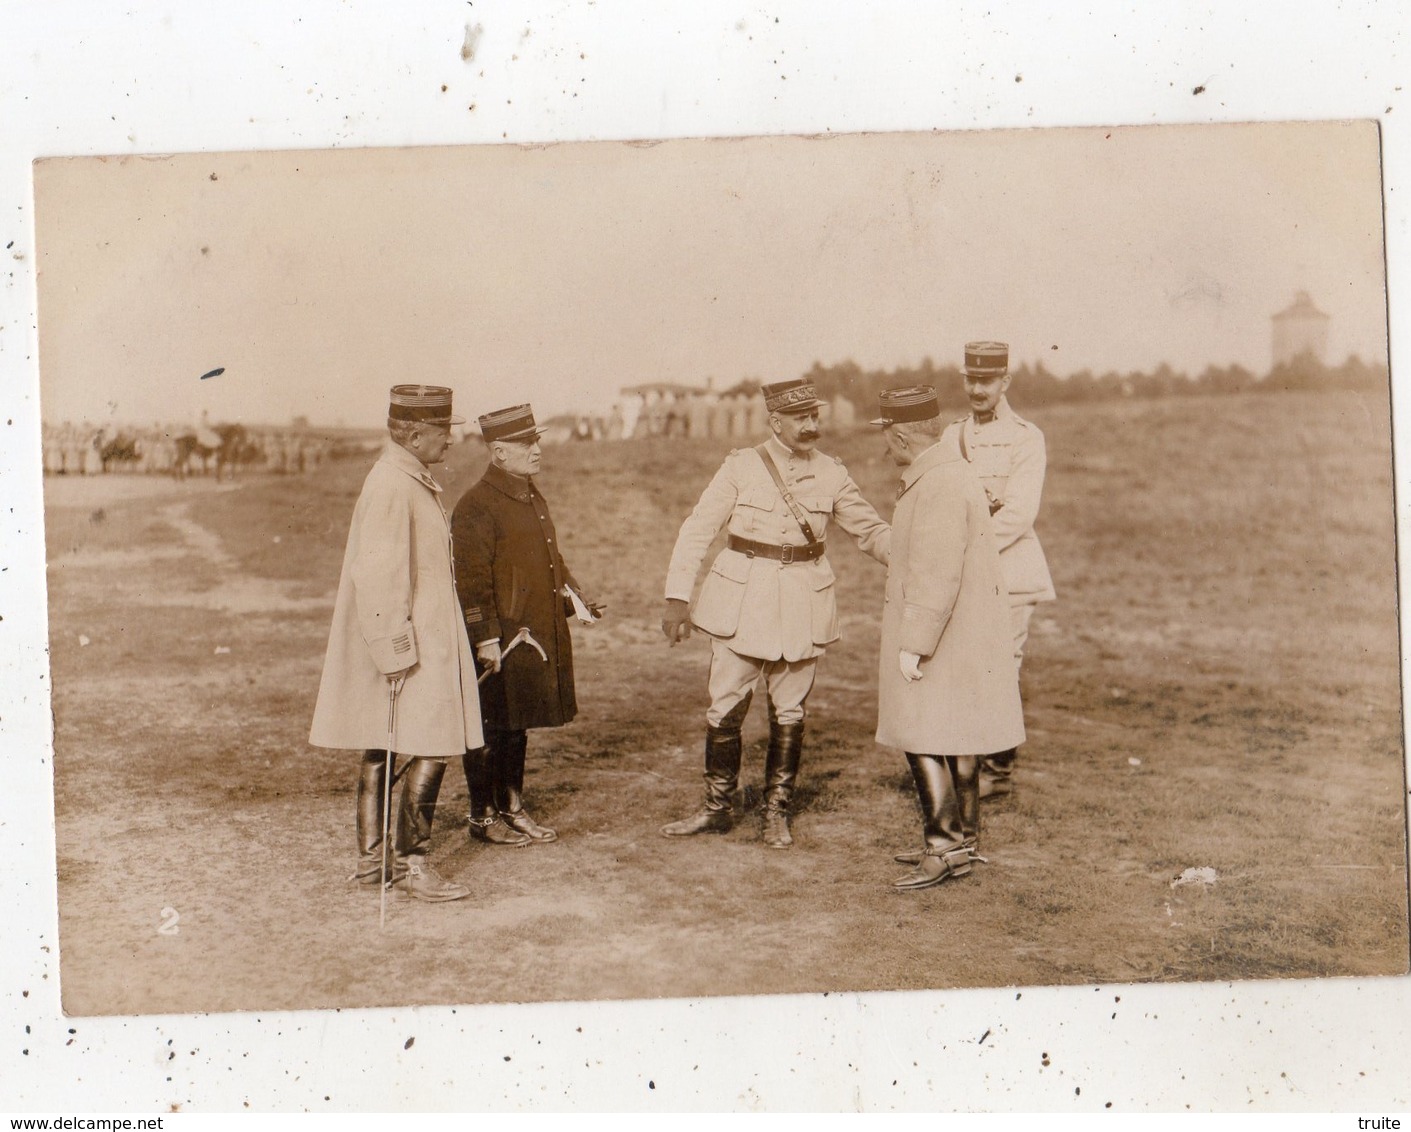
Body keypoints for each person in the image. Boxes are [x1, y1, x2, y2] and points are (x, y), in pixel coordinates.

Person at [660, 377, 891, 848]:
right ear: (775, 421)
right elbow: (698, 529)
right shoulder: (742, 467)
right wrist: (677, 596)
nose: (811, 425)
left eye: (814, 416)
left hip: (802, 602)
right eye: (801, 417)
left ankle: (775, 812)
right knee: (724, 707)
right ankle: (716, 807)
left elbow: (870, 531)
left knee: (789, 711)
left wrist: (922, 552)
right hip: (742, 603)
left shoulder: (831, 472)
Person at [309, 384, 480, 903]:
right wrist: (395, 652)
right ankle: (410, 866)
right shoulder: (391, 484)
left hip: (419, 634)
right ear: (412, 434)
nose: (450, 440)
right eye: (442, 431)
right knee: (429, 742)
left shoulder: (407, 478)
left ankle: (373, 864)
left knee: (388, 745)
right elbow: (379, 576)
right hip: (411, 642)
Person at [871, 385, 1026, 889]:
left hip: (941, 630)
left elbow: (935, 572)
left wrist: (914, 642)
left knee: (922, 732)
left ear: (898, 436)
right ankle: (965, 839)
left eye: (886, 439)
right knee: (960, 733)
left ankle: (945, 847)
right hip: (964, 632)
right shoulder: (952, 473)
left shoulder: (936, 483)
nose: (885, 449)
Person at [451, 404, 601, 847]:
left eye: (536, 440)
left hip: (529, 631)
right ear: (498, 452)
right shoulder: (476, 505)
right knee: (492, 725)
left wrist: (575, 599)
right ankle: (482, 817)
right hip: (504, 638)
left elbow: (550, 559)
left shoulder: (529, 493)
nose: (537, 449)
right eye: (526, 443)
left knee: (515, 725)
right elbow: (473, 583)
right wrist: (486, 639)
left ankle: (511, 808)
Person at [939, 341, 1055, 798]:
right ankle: (965, 761)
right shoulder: (953, 436)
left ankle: (998, 770)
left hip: (1009, 572)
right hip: (962, 571)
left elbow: (1019, 513)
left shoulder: (1027, 436)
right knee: (962, 664)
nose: (976, 389)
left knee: (1001, 668)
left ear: (1005, 381)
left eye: (985, 380)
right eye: (970, 379)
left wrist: (969, 548)